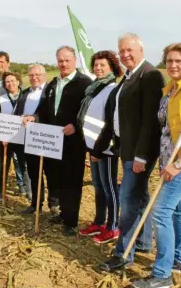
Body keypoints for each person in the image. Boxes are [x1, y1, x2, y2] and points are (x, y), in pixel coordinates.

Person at [129, 43, 181, 288]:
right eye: (169, 61)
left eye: (178, 61)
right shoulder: (170, 89)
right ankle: (180, 260)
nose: (173, 65)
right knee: (178, 210)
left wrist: (179, 163)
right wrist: (166, 161)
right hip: (170, 161)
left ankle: (162, 276)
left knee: (160, 212)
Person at [95, 33, 164, 271]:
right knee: (138, 197)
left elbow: (150, 121)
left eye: (129, 50)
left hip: (138, 151)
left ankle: (123, 254)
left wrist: (141, 155)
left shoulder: (151, 75)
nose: (125, 54)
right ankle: (143, 242)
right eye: (121, 51)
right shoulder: (128, 76)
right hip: (126, 148)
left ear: (141, 50)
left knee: (127, 200)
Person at [24, 46, 93, 236]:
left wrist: (76, 125)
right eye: (60, 60)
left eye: (67, 60)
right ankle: (63, 213)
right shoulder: (54, 84)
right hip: (53, 142)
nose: (63, 64)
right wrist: (34, 118)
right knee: (59, 180)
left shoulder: (84, 83)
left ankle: (71, 221)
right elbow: (44, 108)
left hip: (73, 143)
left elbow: (88, 111)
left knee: (72, 182)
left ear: (74, 61)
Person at [76, 51, 122, 244]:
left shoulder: (112, 89)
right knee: (98, 187)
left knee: (109, 187)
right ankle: (99, 222)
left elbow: (110, 123)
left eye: (103, 65)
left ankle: (113, 227)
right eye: (95, 65)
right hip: (93, 146)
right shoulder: (95, 88)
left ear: (112, 67)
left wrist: (98, 149)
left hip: (106, 149)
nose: (98, 68)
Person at [17, 64, 59, 215]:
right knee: (34, 172)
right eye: (31, 75)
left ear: (44, 75)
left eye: (37, 75)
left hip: (47, 137)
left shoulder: (51, 91)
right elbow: (18, 112)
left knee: (51, 172)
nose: (34, 78)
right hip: (29, 139)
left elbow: (50, 113)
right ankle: (36, 204)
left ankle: (54, 204)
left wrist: (34, 118)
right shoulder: (25, 93)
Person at [0, 51, 24, 192]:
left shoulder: (14, 79)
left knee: (17, 158)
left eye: (1, 62)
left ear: (8, 63)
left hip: (13, 127)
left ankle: (21, 185)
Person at [0, 72, 32, 201]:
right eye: (8, 82)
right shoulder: (1, 99)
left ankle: (29, 192)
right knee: (3, 167)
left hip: (22, 138)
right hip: (5, 140)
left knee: (25, 166)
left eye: (13, 81)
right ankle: (1, 193)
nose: (11, 84)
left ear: (19, 81)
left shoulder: (27, 96)